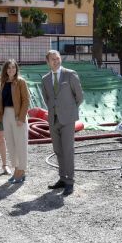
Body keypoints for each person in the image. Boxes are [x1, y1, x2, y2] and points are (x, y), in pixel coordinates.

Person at [41, 50, 83, 196]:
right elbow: (47, 99)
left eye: (57, 58)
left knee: (68, 151)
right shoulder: (45, 79)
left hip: (68, 119)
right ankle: (62, 178)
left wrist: (69, 111)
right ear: (47, 62)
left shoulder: (70, 74)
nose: (56, 61)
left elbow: (79, 96)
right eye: (52, 59)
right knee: (58, 150)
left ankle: (70, 182)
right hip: (53, 119)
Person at [0, 59, 29, 184]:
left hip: (17, 116)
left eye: (13, 67)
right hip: (6, 115)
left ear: (16, 69)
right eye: (8, 68)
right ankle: (16, 169)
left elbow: (26, 101)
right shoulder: (3, 82)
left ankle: (21, 170)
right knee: (10, 144)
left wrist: (21, 118)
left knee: (21, 144)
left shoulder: (20, 82)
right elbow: (0, 102)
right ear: (5, 70)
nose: (11, 70)